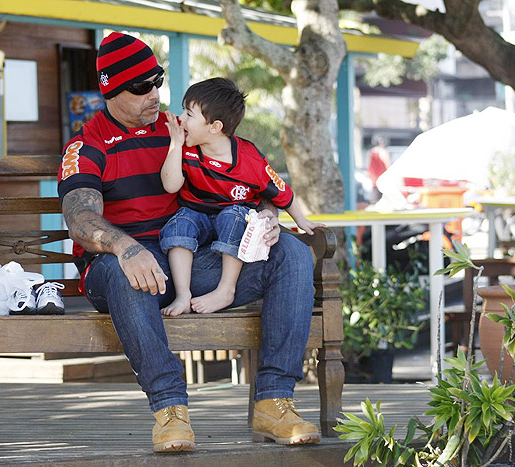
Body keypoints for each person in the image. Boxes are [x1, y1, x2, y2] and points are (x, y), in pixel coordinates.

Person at [57, 32, 320, 453]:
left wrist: (267, 219)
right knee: (128, 273)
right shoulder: (86, 145)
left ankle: (274, 401)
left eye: (157, 81)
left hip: (188, 262)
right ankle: (169, 409)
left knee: (289, 250)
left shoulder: (182, 129)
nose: (155, 94)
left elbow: (244, 180)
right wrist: (126, 247)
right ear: (110, 89)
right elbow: (81, 219)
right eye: (141, 87)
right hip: (116, 267)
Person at [159, 78, 319, 317]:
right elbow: (171, 185)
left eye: (189, 114)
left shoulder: (250, 159)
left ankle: (226, 289)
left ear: (214, 126)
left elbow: (281, 191)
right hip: (197, 215)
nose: (181, 118)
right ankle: (183, 295)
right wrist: (175, 143)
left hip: (234, 217)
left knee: (233, 216)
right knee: (180, 222)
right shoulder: (187, 149)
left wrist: (302, 221)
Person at [366, 136, 391, 203]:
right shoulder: (383, 151)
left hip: (374, 177)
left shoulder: (371, 152)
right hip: (382, 176)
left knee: (375, 197)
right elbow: (387, 163)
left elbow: (368, 164)